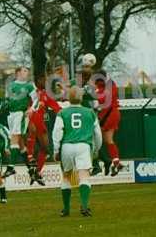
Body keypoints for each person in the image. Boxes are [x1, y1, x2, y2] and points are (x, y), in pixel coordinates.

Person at [53, 86, 102, 217]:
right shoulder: (90, 112)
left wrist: (56, 149)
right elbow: (97, 133)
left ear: (68, 98)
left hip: (67, 146)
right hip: (84, 146)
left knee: (66, 176)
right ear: (81, 98)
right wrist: (96, 148)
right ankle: (84, 207)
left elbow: (57, 131)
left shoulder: (62, 113)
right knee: (84, 176)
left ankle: (66, 209)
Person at [2, 67, 37, 178]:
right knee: (20, 144)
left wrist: (31, 109)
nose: (27, 73)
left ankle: (11, 167)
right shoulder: (10, 86)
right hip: (11, 115)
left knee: (14, 139)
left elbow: (36, 99)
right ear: (18, 73)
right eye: (25, 71)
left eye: (27, 71)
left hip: (20, 114)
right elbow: (6, 100)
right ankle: (31, 170)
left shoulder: (29, 85)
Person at [27, 74, 61, 185]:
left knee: (45, 150)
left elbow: (56, 107)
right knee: (37, 143)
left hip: (39, 122)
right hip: (33, 121)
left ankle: (36, 171)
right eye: (43, 80)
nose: (45, 82)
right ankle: (33, 166)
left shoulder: (46, 94)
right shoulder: (31, 92)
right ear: (37, 81)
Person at [92, 69, 123, 176]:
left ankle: (98, 163)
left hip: (108, 115)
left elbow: (101, 100)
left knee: (93, 139)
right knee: (109, 140)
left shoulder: (101, 89)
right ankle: (116, 162)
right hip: (115, 113)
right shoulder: (111, 84)